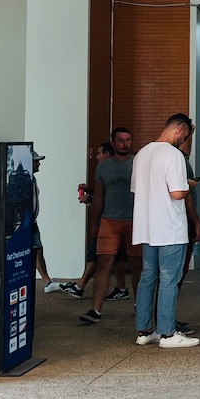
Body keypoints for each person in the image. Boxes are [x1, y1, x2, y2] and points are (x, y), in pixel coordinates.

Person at [130, 114, 200, 349]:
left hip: (147, 226)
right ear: (180, 129)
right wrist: (190, 185)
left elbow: (137, 189)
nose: (185, 141)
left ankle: (144, 331)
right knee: (169, 278)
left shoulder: (142, 153)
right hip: (169, 227)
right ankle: (168, 334)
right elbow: (177, 193)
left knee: (148, 277)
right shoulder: (173, 155)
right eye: (187, 136)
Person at [79, 128, 136, 324]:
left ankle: (140, 305)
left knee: (137, 266)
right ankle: (96, 309)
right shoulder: (103, 167)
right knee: (104, 264)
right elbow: (99, 197)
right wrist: (94, 223)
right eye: (120, 140)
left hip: (134, 220)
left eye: (128, 140)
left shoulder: (137, 164)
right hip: (109, 220)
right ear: (113, 143)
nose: (125, 144)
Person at [53, 142, 119, 298]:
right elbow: (102, 193)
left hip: (107, 222)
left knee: (95, 253)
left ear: (107, 155)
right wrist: (90, 192)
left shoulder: (108, 172)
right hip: (110, 221)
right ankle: (121, 289)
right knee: (110, 256)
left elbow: (106, 197)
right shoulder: (107, 171)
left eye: (99, 153)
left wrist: (89, 197)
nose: (96, 157)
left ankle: (81, 286)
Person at [175, 128, 200, 298]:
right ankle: (165, 317)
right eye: (189, 138)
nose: (191, 142)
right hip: (184, 222)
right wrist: (197, 222)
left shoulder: (181, 159)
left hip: (180, 222)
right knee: (178, 271)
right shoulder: (179, 160)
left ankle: (164, 315)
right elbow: (186, 198)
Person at [30, 149, 53, 290]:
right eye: (36, 161)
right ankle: (46, 280)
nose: (39, 164)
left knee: (37, 248)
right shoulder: (25, 179)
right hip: (27, 223)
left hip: (32, 221)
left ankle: (46, 280)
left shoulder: (32, 179)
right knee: (35, 249)